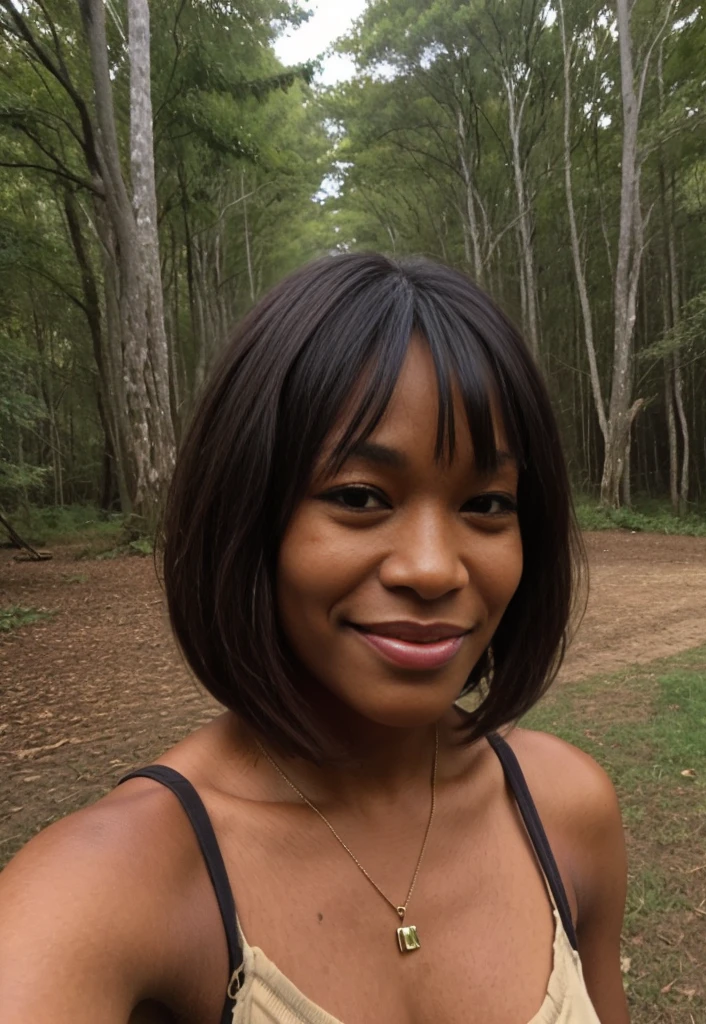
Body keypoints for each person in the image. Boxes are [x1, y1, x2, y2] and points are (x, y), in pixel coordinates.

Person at [0, 254, 629, 1023]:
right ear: (249, 516)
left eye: (488, 504)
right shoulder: (102, 894)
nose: (433, 568)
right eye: (361, 496)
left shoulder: (569, 812)